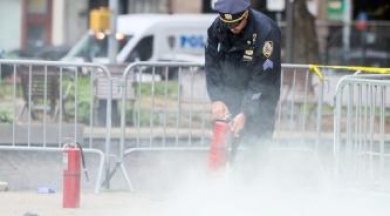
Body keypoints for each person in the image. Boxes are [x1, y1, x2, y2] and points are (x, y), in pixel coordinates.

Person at [205, 0, 281, 150]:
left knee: (256, 147)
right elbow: (212, 64)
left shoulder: (266, 32)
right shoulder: (217, 27)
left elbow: (263, 76)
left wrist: (246, 112)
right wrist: (217, 98)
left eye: (236, 24)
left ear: (245, 14)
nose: (232, 28)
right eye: (228, 24)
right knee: (226, 147)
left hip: (260, 98)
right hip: (230, 94)